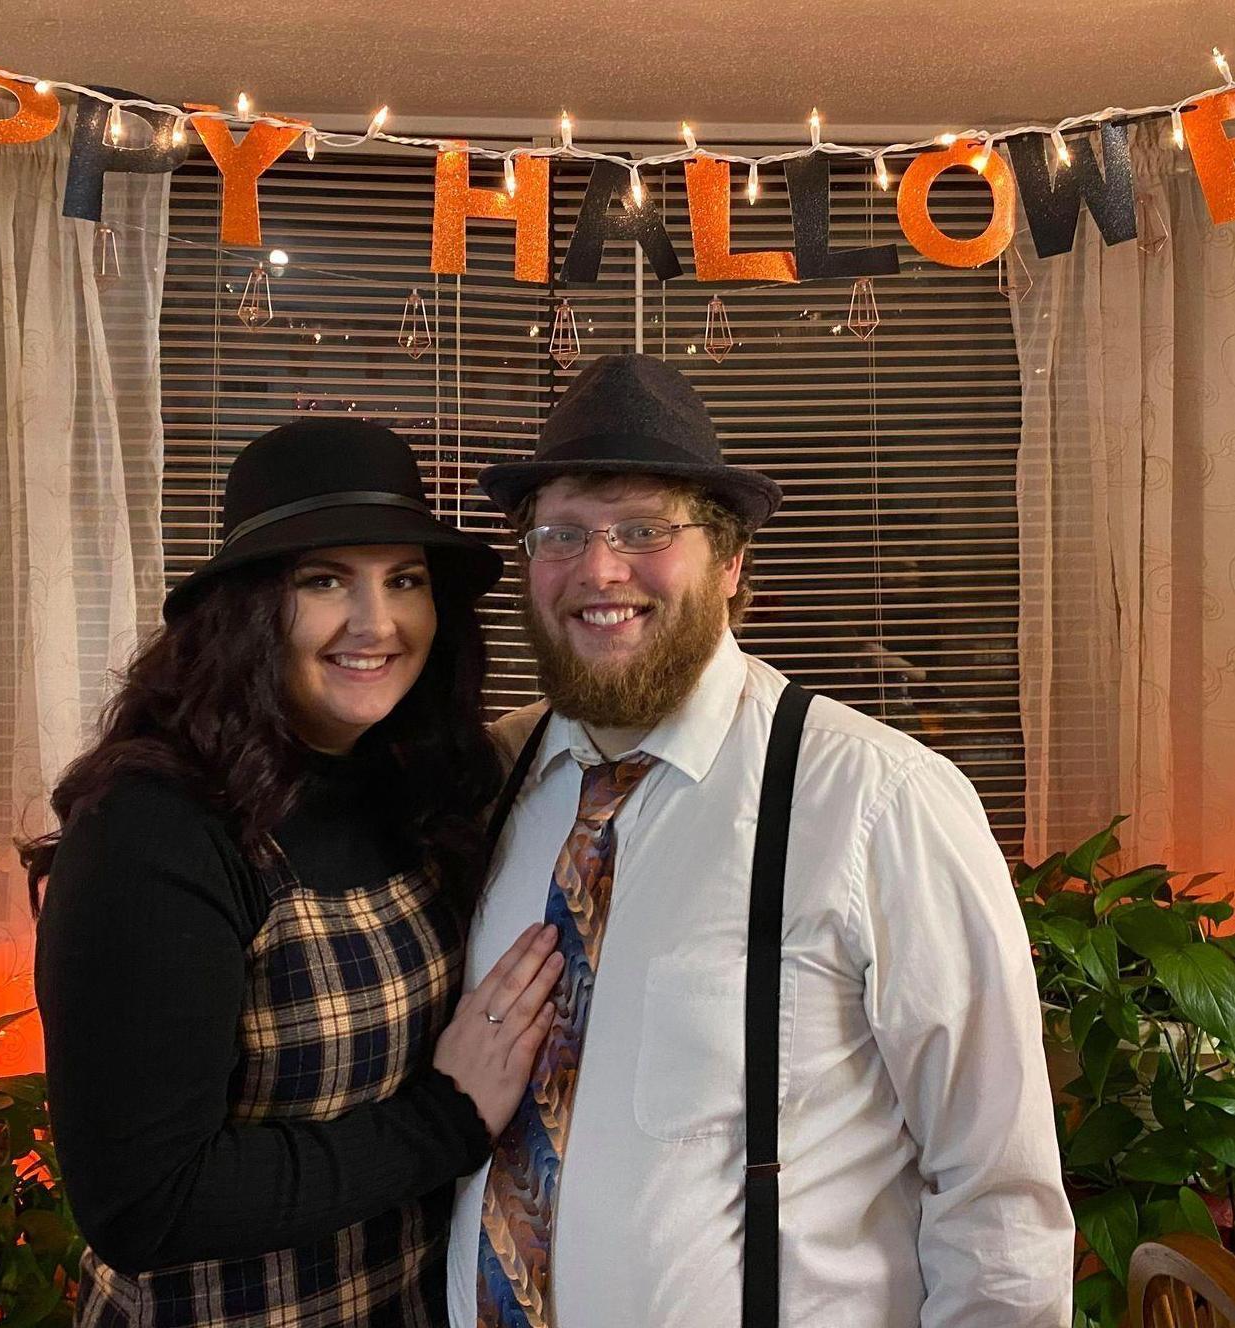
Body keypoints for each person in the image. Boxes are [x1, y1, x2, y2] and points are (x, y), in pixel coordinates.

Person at [446, 354, 1075, 1327]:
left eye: (645, 529)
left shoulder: (879, 801)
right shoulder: (488, 782)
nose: (599, 569)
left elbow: (999, 1197)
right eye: (561, 532)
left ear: (732, 560)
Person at [25, 418, 561, 1328]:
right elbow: (144, 1204)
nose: (376, 623)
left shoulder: (415, 785)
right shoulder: (154, 829)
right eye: (324, 581)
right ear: (247, 609)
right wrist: (449, 1119)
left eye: (404, 580)